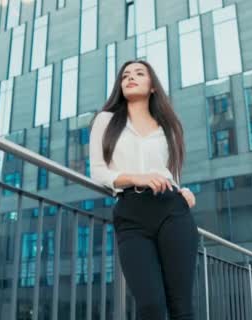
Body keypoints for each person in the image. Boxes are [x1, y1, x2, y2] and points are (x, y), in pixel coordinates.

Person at [89, 60, 199, 319]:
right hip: (131, 214)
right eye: (125, 75)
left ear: (152, 87)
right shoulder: (106, 120)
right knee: (150, 306)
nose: (130, 78)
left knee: (181, 307)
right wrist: (137, 178)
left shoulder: (167, 127)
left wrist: (182, 190)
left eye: (139, 73)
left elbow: (168, 172)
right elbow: (98, 172)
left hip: (172, 210)